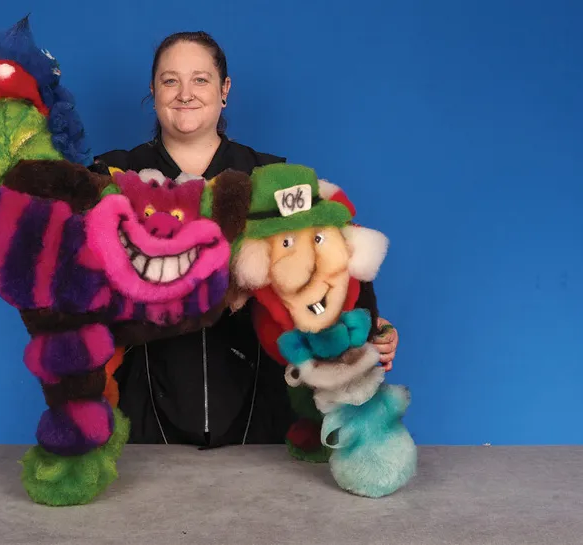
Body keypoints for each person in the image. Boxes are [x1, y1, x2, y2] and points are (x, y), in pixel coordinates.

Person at [91, 31, 399, 448]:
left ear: (224, 89)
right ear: (153, 89)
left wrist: (369, 323)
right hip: (144, 420)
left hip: (261, 418)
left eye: (200, 79)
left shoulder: (271, 176)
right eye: (170, 80)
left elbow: (333, 253)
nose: (185, 93)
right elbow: (65, 265)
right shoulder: (114, 176)